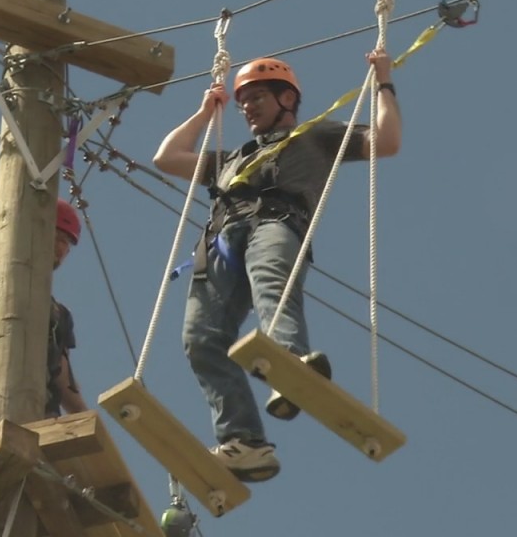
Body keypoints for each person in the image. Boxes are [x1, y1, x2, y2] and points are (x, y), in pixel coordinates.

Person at [153, 49, 401, 482]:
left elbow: (387, 140)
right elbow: (168, 157)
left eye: (257, 97)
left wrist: (383, 81)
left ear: (287, 99)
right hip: (221, 242)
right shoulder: (231, 159)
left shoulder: (316, 135)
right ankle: (246, 442)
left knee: (272, 284)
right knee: (200, 337)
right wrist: (205, 112)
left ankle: (290, 361)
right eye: (244, 100)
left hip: (277, 222)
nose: (248, 107)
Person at [0, 198, 89, 431]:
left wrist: (85, 421)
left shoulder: (60, 316)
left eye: (67, 242)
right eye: (57, 236)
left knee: (43, 461)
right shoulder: (0, 259)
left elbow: (63, 378)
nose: (61, 248)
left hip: (41, 399)